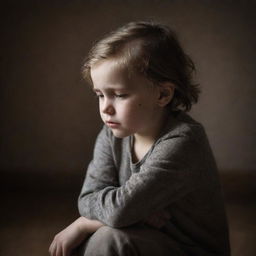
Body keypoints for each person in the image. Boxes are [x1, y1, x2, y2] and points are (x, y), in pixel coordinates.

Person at [49, 21, 230, 256]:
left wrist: (86, 222)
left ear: (163, 94)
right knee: (84, 244)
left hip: (189, 250)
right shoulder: (111, 134)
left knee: (107, 239)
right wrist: (132, 213)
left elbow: (118, 212)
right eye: (100, 95)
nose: (106, 108)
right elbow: (87, 199)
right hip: (146, 240)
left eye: (120, 95)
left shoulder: (183, 142)